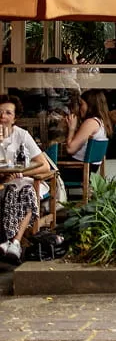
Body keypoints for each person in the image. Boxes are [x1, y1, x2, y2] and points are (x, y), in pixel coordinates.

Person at [0, 94, 51, 265]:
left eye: (8, 113)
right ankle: (13, 242)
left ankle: (13, 242)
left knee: (25, 191)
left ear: (15, 117)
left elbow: (44, 166)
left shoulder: (22, 135)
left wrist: (23, 173)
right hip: (3, 184)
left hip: (25, 181)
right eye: (0, 112)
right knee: (12, 191)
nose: (3, 116)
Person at [65, 89, 112, 161]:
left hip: (76, 167)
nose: (80, 108)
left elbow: (70, 149)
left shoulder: (91, 122)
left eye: (81, 104)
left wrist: (71, 128)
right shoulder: (100, 122)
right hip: (87, 166)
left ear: (90, 105)